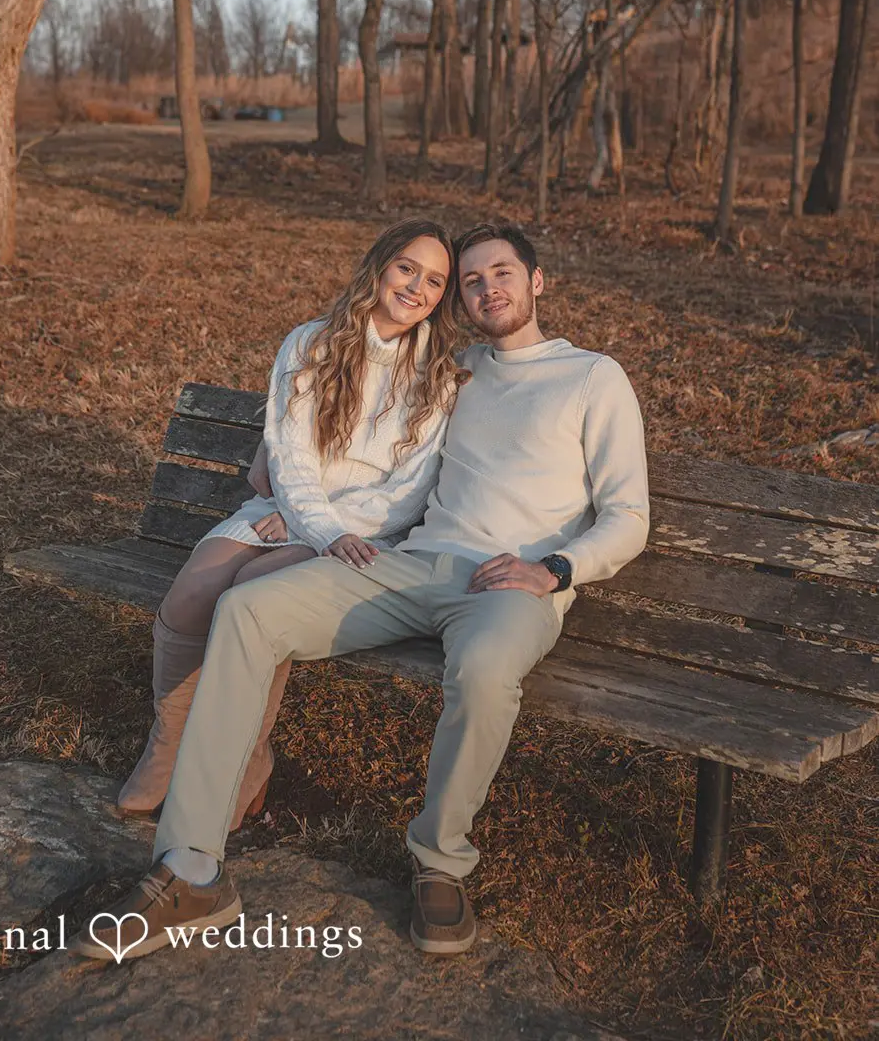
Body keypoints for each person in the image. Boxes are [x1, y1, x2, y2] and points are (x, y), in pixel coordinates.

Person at [74, 220, 650, 962]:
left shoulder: (591, 377)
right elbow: (355, 403)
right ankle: (191, 870)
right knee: (247, 611)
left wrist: (555, 571)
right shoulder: (453, 370)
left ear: (536, 282)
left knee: (482, 672)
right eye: (470, 281)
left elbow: (629, 515)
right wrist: (279, 465)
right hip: (413, 563)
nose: (486, 290)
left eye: (500, 273)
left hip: (510, 584)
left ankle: (439, 862)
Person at [114, 217, 464, 834]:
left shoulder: (437, 376)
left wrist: (323, 530)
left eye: (435, 281)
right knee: (195, 590)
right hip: (289, 511)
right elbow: (292, 456)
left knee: (252, 599)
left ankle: (245, 764)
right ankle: (167, 747)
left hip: (361, 535)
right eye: (408, 268)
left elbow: (406, 494)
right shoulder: (312, 344)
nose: (417, 288)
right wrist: (307, 518)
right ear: (381, 266)